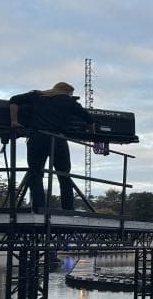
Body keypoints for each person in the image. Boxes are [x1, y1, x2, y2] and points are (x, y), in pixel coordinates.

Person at [8, 82, 93, 212]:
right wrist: (91, 132)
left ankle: (39, 208)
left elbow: (13, 100)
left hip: (38, 137)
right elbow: (89, 118)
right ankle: (68, 209)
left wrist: (14, 121)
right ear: (67, 92)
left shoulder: (36, 95)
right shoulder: (68, 101)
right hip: (58, 139)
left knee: (35, 173)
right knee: (64, 175)